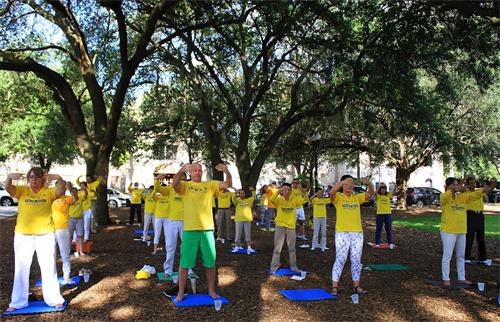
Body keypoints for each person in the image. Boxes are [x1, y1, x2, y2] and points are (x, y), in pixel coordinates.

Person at [5, 168, 65, 312]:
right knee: (21, 269)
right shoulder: (22, 191)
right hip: (23, 235)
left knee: (48, 267)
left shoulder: (48, 192)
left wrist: (58, 177)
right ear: (28, 179)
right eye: (31, 177)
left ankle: (54, 299)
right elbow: (8, 188)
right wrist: (9, 177)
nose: (34, 180)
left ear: (43, 179)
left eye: (37, 177)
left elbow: (61, 190)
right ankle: (18, 302)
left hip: (45, 235)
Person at [173, 162, 232, 302]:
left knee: (210, 263)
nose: (198, 172)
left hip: (207, 230)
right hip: (190, 230)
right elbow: (174, 184)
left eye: (200, 170)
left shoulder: (210, 184)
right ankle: (180, 292)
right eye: (194, 170)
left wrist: (227, 171)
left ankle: (211, 291)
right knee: (184, 263)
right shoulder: (185, 186)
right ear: (190, 173)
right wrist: (182, 169)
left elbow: (228, 184)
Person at [439, 177, 495, 286]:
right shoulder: (444, 196)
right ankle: (446, 278)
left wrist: (486, 189)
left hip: (461, 230)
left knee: (461, 256)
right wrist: (456, 189)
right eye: (454, 185)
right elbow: (446, 196)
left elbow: (476, 194)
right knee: (447, 256)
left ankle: (461, 277)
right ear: (448, 186)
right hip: (448, 230)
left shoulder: (463, 197)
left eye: (457, 184)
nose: (457, 186)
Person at [329, 175, 374, 296]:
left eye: (352, 183)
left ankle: (356, 286)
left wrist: (369, 183)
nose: (350, 185)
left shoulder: (357, 198)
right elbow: (331, 192)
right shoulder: (338, 197)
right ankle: (334, 287)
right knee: (341, 259)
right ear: (342, 184)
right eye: (347, 183)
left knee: (356, 259)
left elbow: (370, 193)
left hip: (357, 233)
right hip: (342, 232)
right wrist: (342, 182)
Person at [154, 173, 189, 276]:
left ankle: (189, 269)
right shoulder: (170, 189)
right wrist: (157, 180)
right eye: (177, 179)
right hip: (171, 221)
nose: (179, 182)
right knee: (170, 246)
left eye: (182, 179)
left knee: (187, 246)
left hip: (186, 221)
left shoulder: (188, 189)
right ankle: (168, 270)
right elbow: (159, 189)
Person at [269, 183, 307, 273]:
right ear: (282, 191)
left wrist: (302, 191)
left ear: (290, 191)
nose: (286, 191)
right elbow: (272, 199)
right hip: (280, 226)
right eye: (284, 190)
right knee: (277, 248)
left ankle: (294, 267)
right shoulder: (279, 200)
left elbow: (305, 199)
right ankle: (274, 267)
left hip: (291, 227)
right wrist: (279, 190)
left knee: (292, 248)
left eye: (288, 190)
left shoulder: (294, 200)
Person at [51, 182, 78, 284]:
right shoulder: (51, 197)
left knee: (65, 254)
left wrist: (72, 189)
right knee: (50, 254)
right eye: (59, 186)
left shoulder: (67, 198)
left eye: (63, 186)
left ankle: (66, 275)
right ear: (56, 187)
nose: (61, 188)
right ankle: (50, 276)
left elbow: (75, 199)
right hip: (50, 229)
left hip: (63, 229)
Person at [464, 176, 487, 263]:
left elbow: (487, 190)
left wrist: (491, 184)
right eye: (471, 183)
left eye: (474, 183)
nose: (473, 184)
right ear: (468, 185)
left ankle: (482, 258)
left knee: (481, 237)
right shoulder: (466, 193)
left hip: (480, 215)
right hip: (470, 215)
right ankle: (467, 257)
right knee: (469, 237)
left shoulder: (479, 192)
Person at [231, 187, 256, 252]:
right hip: (238, 219)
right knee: (238, 234)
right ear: (239, 194)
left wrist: (253, 191)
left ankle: (249, 247)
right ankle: (237, 247)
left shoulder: (248, 200)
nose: (242, 194)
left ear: (245, 194)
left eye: (243, 193)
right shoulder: (237, 201)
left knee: (248, 233)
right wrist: (236, 192)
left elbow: (253, 197)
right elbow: (233, 198)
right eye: (240, 193)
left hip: (247, 219)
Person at [374, 183, 394, 248]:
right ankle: (377, 243)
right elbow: (374, 193)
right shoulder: (378, 196)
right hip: (380, 214)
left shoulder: (388, 195)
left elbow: (393, 192)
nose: (383, 190)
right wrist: (379, 186)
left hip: (388, 214)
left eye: (384, 189)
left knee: (388, 229)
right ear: (380, 189)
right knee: (378, 229)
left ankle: (390, 242)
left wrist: (394, 185)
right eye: (382, 189)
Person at [152, 181, 169, 255]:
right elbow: (152, 195)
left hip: (167, 217)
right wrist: (156, 189)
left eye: (165, 189)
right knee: (157, 233)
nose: (164, 190)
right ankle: (155, 250)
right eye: (163, 189)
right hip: (158, 217)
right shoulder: (158, 196)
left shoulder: (169, 197)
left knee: (167, 234)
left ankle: (167, 249)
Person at [68, 187, 86, 256]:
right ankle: (68, 250)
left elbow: (85, 196)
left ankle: (81, 251)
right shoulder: (69, 199)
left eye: (75, 191)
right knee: (69, 236)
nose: (74, 193)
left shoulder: (80, 198)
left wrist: (84, 190)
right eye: (72, 192)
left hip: (79, 219)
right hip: (71, 218)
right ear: (71, 193)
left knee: (80, 235)